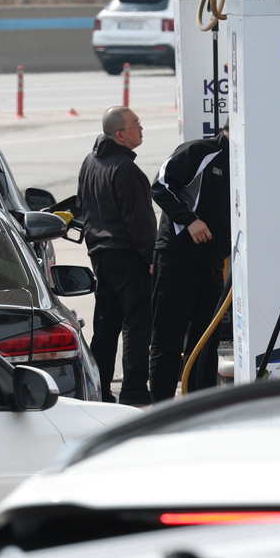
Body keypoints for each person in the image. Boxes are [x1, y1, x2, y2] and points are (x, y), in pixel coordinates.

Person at [77, 106, 157, 405]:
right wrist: (151, 257)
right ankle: (134, 391)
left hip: (101, 255)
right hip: (128, 256)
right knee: (137, 325)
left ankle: (98, 389)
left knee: (106, 327)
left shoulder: (90, 162)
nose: (141, 128)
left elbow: (84, 208)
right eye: (136, 124)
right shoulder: (126, 169)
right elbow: (139, 220)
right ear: (120, 134)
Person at [148, 124, 231, 402]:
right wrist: (190, 220)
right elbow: (160, 185)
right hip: (177, 258)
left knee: (206, 341)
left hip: (213, 263)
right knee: (168, 340)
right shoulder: (200, 151)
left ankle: (202, 408)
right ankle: (162, 410)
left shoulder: (244, 161)